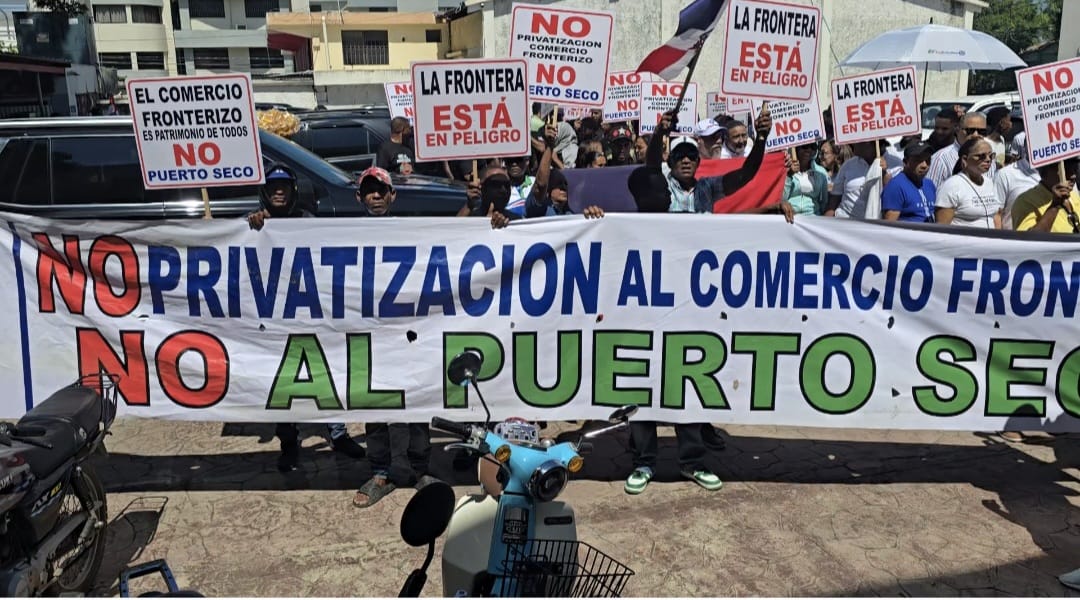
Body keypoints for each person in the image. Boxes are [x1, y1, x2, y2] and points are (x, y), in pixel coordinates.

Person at [246, 164, 366, 472]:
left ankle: (338, 435)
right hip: (275, 317)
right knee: (283, 382)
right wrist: (251, 227)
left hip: (313, 313)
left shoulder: (308, 222)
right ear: (264, 191)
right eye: (273, 186)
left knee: (326, 374)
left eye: (284, 185)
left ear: (293, 190)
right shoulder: (254, 223)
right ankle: (288, 442)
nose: (279, 190)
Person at [352, 166, 437, 508]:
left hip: (409, 333)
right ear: (360, 197)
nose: (376, 196)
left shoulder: (411, 231)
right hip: (370, 334)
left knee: (417, 400)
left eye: (382, 190)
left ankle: (419, 470)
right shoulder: (343, 235)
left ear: (393, 196)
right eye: (369, 190)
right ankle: (381, 472)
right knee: (374, 401)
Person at [934, 137, 1003, 228]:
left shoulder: (990, 183)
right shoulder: (951, 186)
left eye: (991, 156)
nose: (988, 159)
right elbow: (942, 227)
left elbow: (996, 216)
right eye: (981, 156)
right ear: (965, 159)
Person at [927, 111, 997, 190]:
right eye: (970, 131)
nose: (976, 135)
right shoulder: (941, 159)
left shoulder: (990, 157)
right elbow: (931, 193)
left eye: (981, 132)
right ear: (957, 130)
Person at [1012, 157, 1079, 233]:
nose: (1073, 176)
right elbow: (1029, 241)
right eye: (1066, 168)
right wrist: (1054, 207)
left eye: (1075, 168)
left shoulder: (1074, 197)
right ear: (1045, 172)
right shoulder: (1024, 202)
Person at [824, 140, 889, 219]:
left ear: (869, 143)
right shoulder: (848, 165)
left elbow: (891, 198)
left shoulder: (892, 165)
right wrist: (825, 223)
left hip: (872, 225)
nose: (853, 143)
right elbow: (834, 199)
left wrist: (884, 173)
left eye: (857, 141)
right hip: (844, 220)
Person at [994, 132, 1041, 230]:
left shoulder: (1065, 175)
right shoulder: (1005, 175)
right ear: (1025, 146)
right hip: (1015, 242)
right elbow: (996, 215)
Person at [881, 142, 936, 222]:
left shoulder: (929, 184)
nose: (924, 165)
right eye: (918, 160)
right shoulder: (896, 186)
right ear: (905, 162)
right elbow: (889, 225)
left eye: (928, 160)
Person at [782, 143, 829, 215]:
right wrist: (789, 175)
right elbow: (782, 199)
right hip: (790, 217)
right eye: (805, 146)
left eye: (813, 147)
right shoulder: (784, 169)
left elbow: (824, 202)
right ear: (796, 148)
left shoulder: (821, 172)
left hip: (813, 218)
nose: (809, 150)